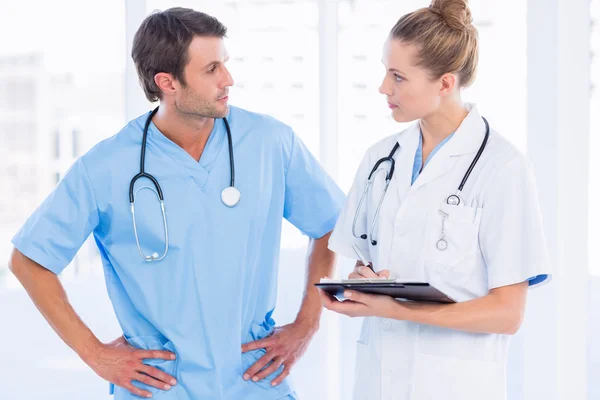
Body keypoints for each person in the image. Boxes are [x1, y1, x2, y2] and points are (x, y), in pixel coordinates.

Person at [9, 7, 344, 400]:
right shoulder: (106, 167)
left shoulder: (270, 142)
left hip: (253, 378)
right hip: (160, 385)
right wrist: (95, 354)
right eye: (211, 69)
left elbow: (330, 224)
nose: (228, 80)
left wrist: (307, 324)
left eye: (225, 64)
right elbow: (29, 260)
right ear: (167, 81)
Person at [319, 1, 552, 399]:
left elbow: (507, 313)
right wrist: (364, 281)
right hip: (377, 378)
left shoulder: (503, 167)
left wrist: (399, 310)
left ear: (445, 83)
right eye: (384, 71)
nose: (383, 88)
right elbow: (364, 257)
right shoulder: (381, 158)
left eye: (397, 77)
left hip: (454, 384)